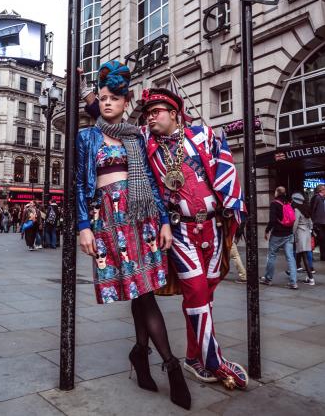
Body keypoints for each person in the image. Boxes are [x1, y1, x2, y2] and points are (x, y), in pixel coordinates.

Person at [82, 80, 248, 390]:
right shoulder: (144, 140)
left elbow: (226, 171)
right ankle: (214, 361)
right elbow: (110, 119)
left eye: (155, 112)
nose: (149, 118)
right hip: (180, 228)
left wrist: (233, 212)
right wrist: (89, 92)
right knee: (196, 291)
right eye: (146, 114)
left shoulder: (204, 135)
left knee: (205, 295)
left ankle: (194, 358)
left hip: (212, 227)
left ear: (175, 113)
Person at [77, 61, 191, 410]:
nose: (108, 102)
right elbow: (80, 186)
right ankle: (166, 364)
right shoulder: (87, 137)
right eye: (104, 97)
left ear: (126, 103)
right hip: (108, 220)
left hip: (140, 218)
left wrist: (164, 223)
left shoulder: (137, 137)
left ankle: (147, 356)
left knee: (143, 292)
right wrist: (82, 225)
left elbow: (156, 185)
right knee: (140, 293)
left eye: (115, 98)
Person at [260, 186, 298, 289]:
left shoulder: (274, 203)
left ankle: (268, 279)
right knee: (290, 258)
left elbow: (272, 220)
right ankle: (293, 282)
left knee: (272, 256)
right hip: (289, 234)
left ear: (277, 192)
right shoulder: (289, 202)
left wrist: (267, 230)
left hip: (277, 234)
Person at [291, 193, 315, 285]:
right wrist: (309, 231)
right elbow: (310, 223)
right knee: (301, 255)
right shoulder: (306, 209)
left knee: (304, 256)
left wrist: (291, 233)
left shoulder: (297, 210)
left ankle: (311, 279)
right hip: (307, 234)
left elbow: (295, 224)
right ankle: (307, 277)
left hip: (300, 234)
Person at [311, 184, 325, 261]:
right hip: (318, 222)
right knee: (318, 239)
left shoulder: (323, 198)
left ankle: (323, 256)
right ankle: (309, 253)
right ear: (321, 190)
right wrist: (312, 221)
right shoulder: (316, 198)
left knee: (322, 239)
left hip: (323, 222)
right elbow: (312, 210)